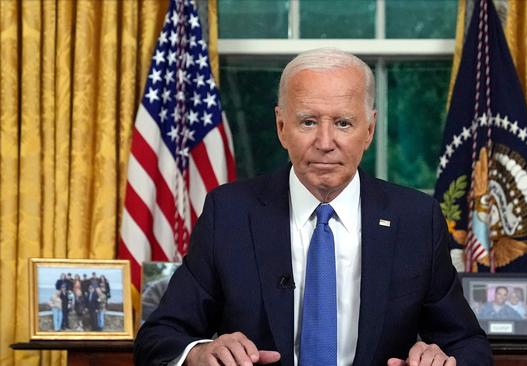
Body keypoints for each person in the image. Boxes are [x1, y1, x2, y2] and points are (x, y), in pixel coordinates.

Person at [134, 48, 491, 366]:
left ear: (368, 130)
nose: (325, 142)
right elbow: (159, 338)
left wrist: (443, 360)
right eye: (308, 121)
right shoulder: (229, 213)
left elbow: (468, 345)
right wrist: (198, 354)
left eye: (343, 123)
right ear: (281, 127)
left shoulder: (416, 219)